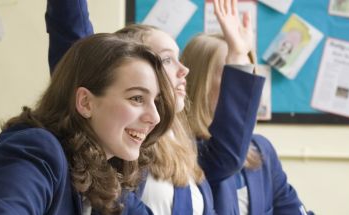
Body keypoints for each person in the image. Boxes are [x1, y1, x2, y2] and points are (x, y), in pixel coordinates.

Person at [46, 0, 264, 214]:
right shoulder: (116, 139)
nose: (184, 70)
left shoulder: (178, 141)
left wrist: (237, 55)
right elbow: (76, 48)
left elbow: (225, 158)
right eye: (167, 59)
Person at [0, 33, 176, 215]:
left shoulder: (104, 173)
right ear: (85, 102)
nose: (154, 117)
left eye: (155, 102)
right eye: (136, 98)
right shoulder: (37, 149)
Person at [183, 33, 312, 215]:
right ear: (201, 81)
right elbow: (226, 156)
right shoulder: (183, 153)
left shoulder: (261, 149)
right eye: (234, 73)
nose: (248, 84)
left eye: (249, 72)